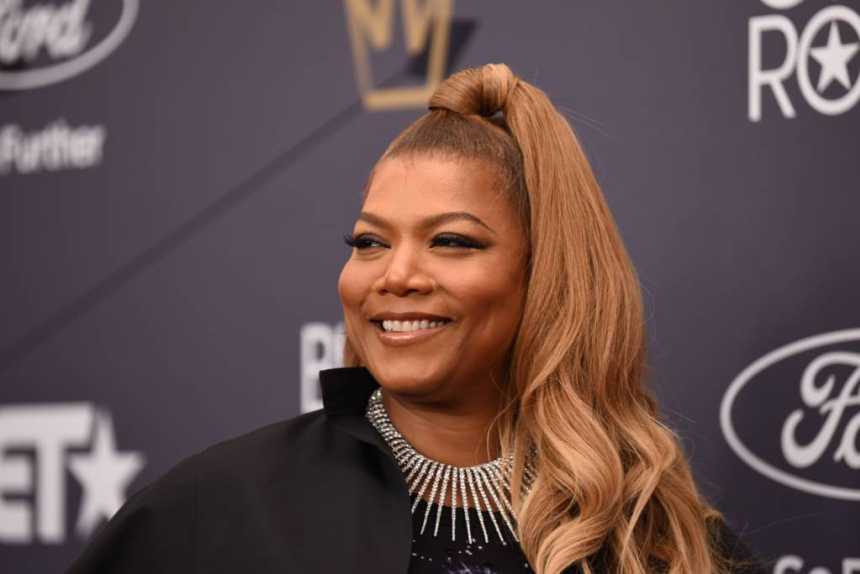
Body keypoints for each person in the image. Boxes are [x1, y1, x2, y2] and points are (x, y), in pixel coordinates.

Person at [69, 63, 764, 573]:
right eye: (370, 242)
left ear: (547, 273)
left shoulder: (659, 537)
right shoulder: (215, 510)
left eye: (452, 241)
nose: (395, 275)